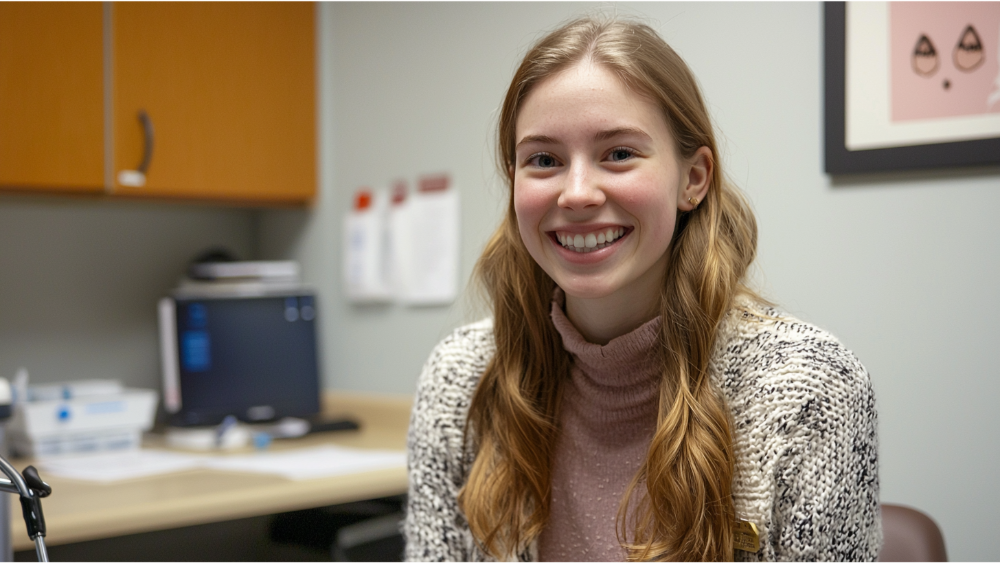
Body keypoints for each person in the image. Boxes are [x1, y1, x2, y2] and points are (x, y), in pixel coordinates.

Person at [404, 15, 880, 563]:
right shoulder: (460, 383)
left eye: (619, 153)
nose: (577, 193)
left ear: (693, 178)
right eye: (543, 160)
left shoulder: (812, 392)